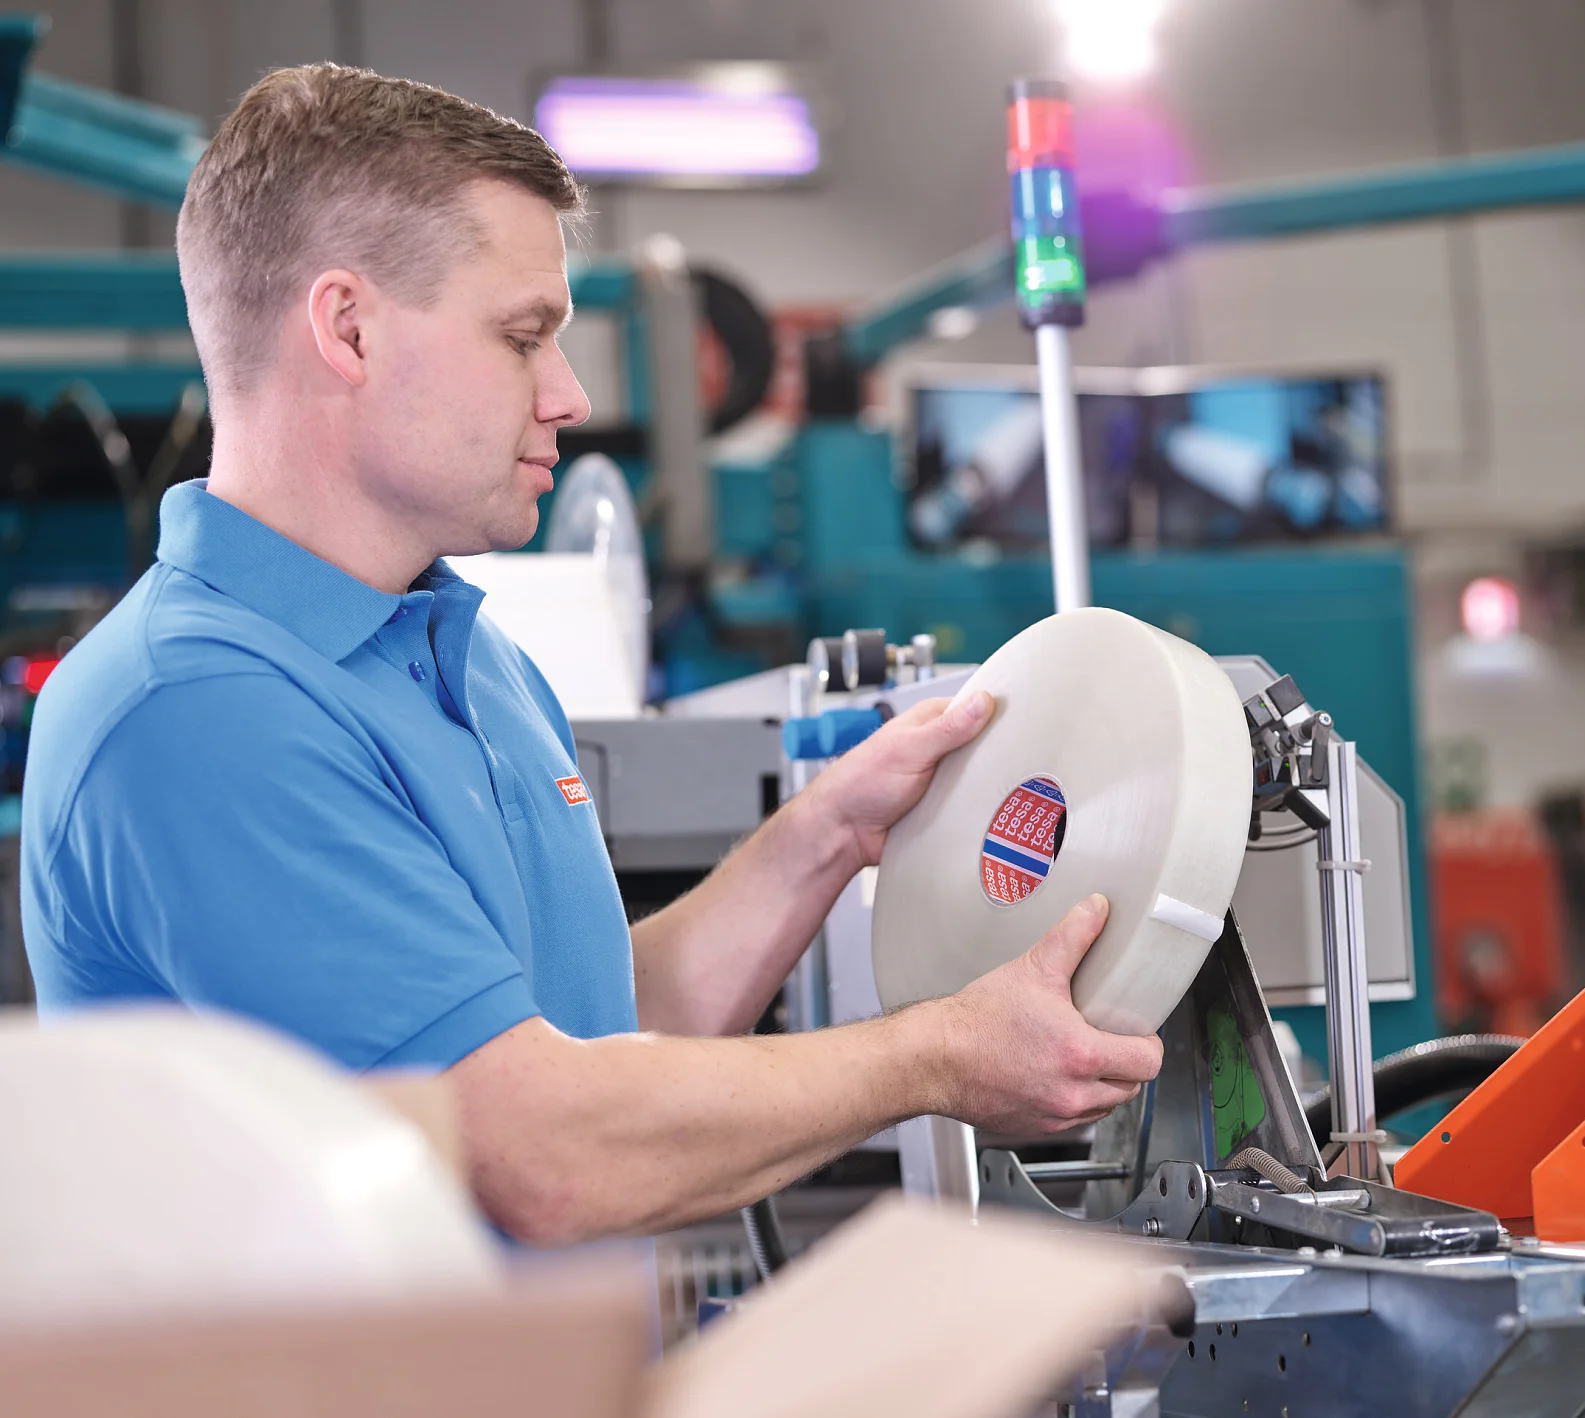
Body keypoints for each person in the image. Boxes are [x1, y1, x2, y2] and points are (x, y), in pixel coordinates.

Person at [19, 65, 1162, 1245]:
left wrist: (825, 835)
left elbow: (605, 1032)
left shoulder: (473, 657)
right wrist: (937, 1055)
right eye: (524, 338)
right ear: (347, 328)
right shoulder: (197, 710)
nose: (566, 394)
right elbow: (536, 1148)